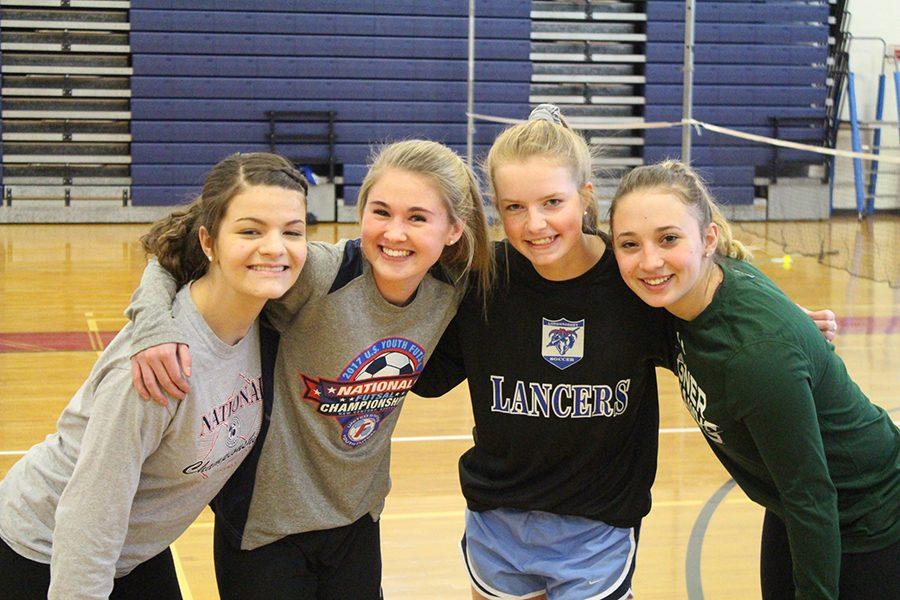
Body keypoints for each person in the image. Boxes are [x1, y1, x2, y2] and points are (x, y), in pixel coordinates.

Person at [412, 106, 840, 600]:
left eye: (553, 201)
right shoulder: (482, 281)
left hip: (599, 528)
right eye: (514, 207)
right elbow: (425, 373)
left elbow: (712, 298)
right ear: (496, 207)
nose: (535, 223)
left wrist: (778, 322)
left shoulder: (635, 283)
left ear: (586, 197)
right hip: (497, 520)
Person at [125, 139, 494, 599]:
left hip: (356, 520)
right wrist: (153, 323)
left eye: (417, 218)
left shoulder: (453, 290)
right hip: (267, 526)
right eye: (381, 212)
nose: (395, 233)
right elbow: (177, 254)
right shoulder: (318, 274)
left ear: (454, 230)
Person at [0, 152, 309, 600]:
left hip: (134, 550)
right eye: (250, 230)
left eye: (292, 231)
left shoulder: (267, 314)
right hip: (45, 550)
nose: (275, 247)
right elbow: (91, 513)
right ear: (209, 242)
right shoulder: (155, 368)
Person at [609, 159, 899, 599]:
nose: (649, 261)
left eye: (669, 238)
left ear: (708, 240)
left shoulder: (755, 359)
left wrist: (784, 335)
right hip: (790, 504)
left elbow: (812, 497)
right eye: (629, 244)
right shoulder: (685, 300)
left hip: (864, 517)